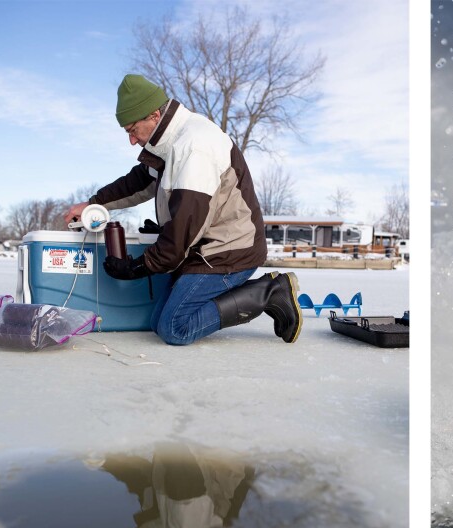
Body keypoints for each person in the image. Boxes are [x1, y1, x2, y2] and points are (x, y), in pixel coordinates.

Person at [63, 74, 301, 346]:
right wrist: (93, 203)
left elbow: (183, 229)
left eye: (132, 130)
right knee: (157, 323)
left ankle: (270, 291)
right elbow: (139, 182)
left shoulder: (194, 147)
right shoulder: (168, 144)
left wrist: (138, 267)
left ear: (153, 115)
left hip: (229, 250)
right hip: (201, 248)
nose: (131, 140)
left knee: (174, 327)